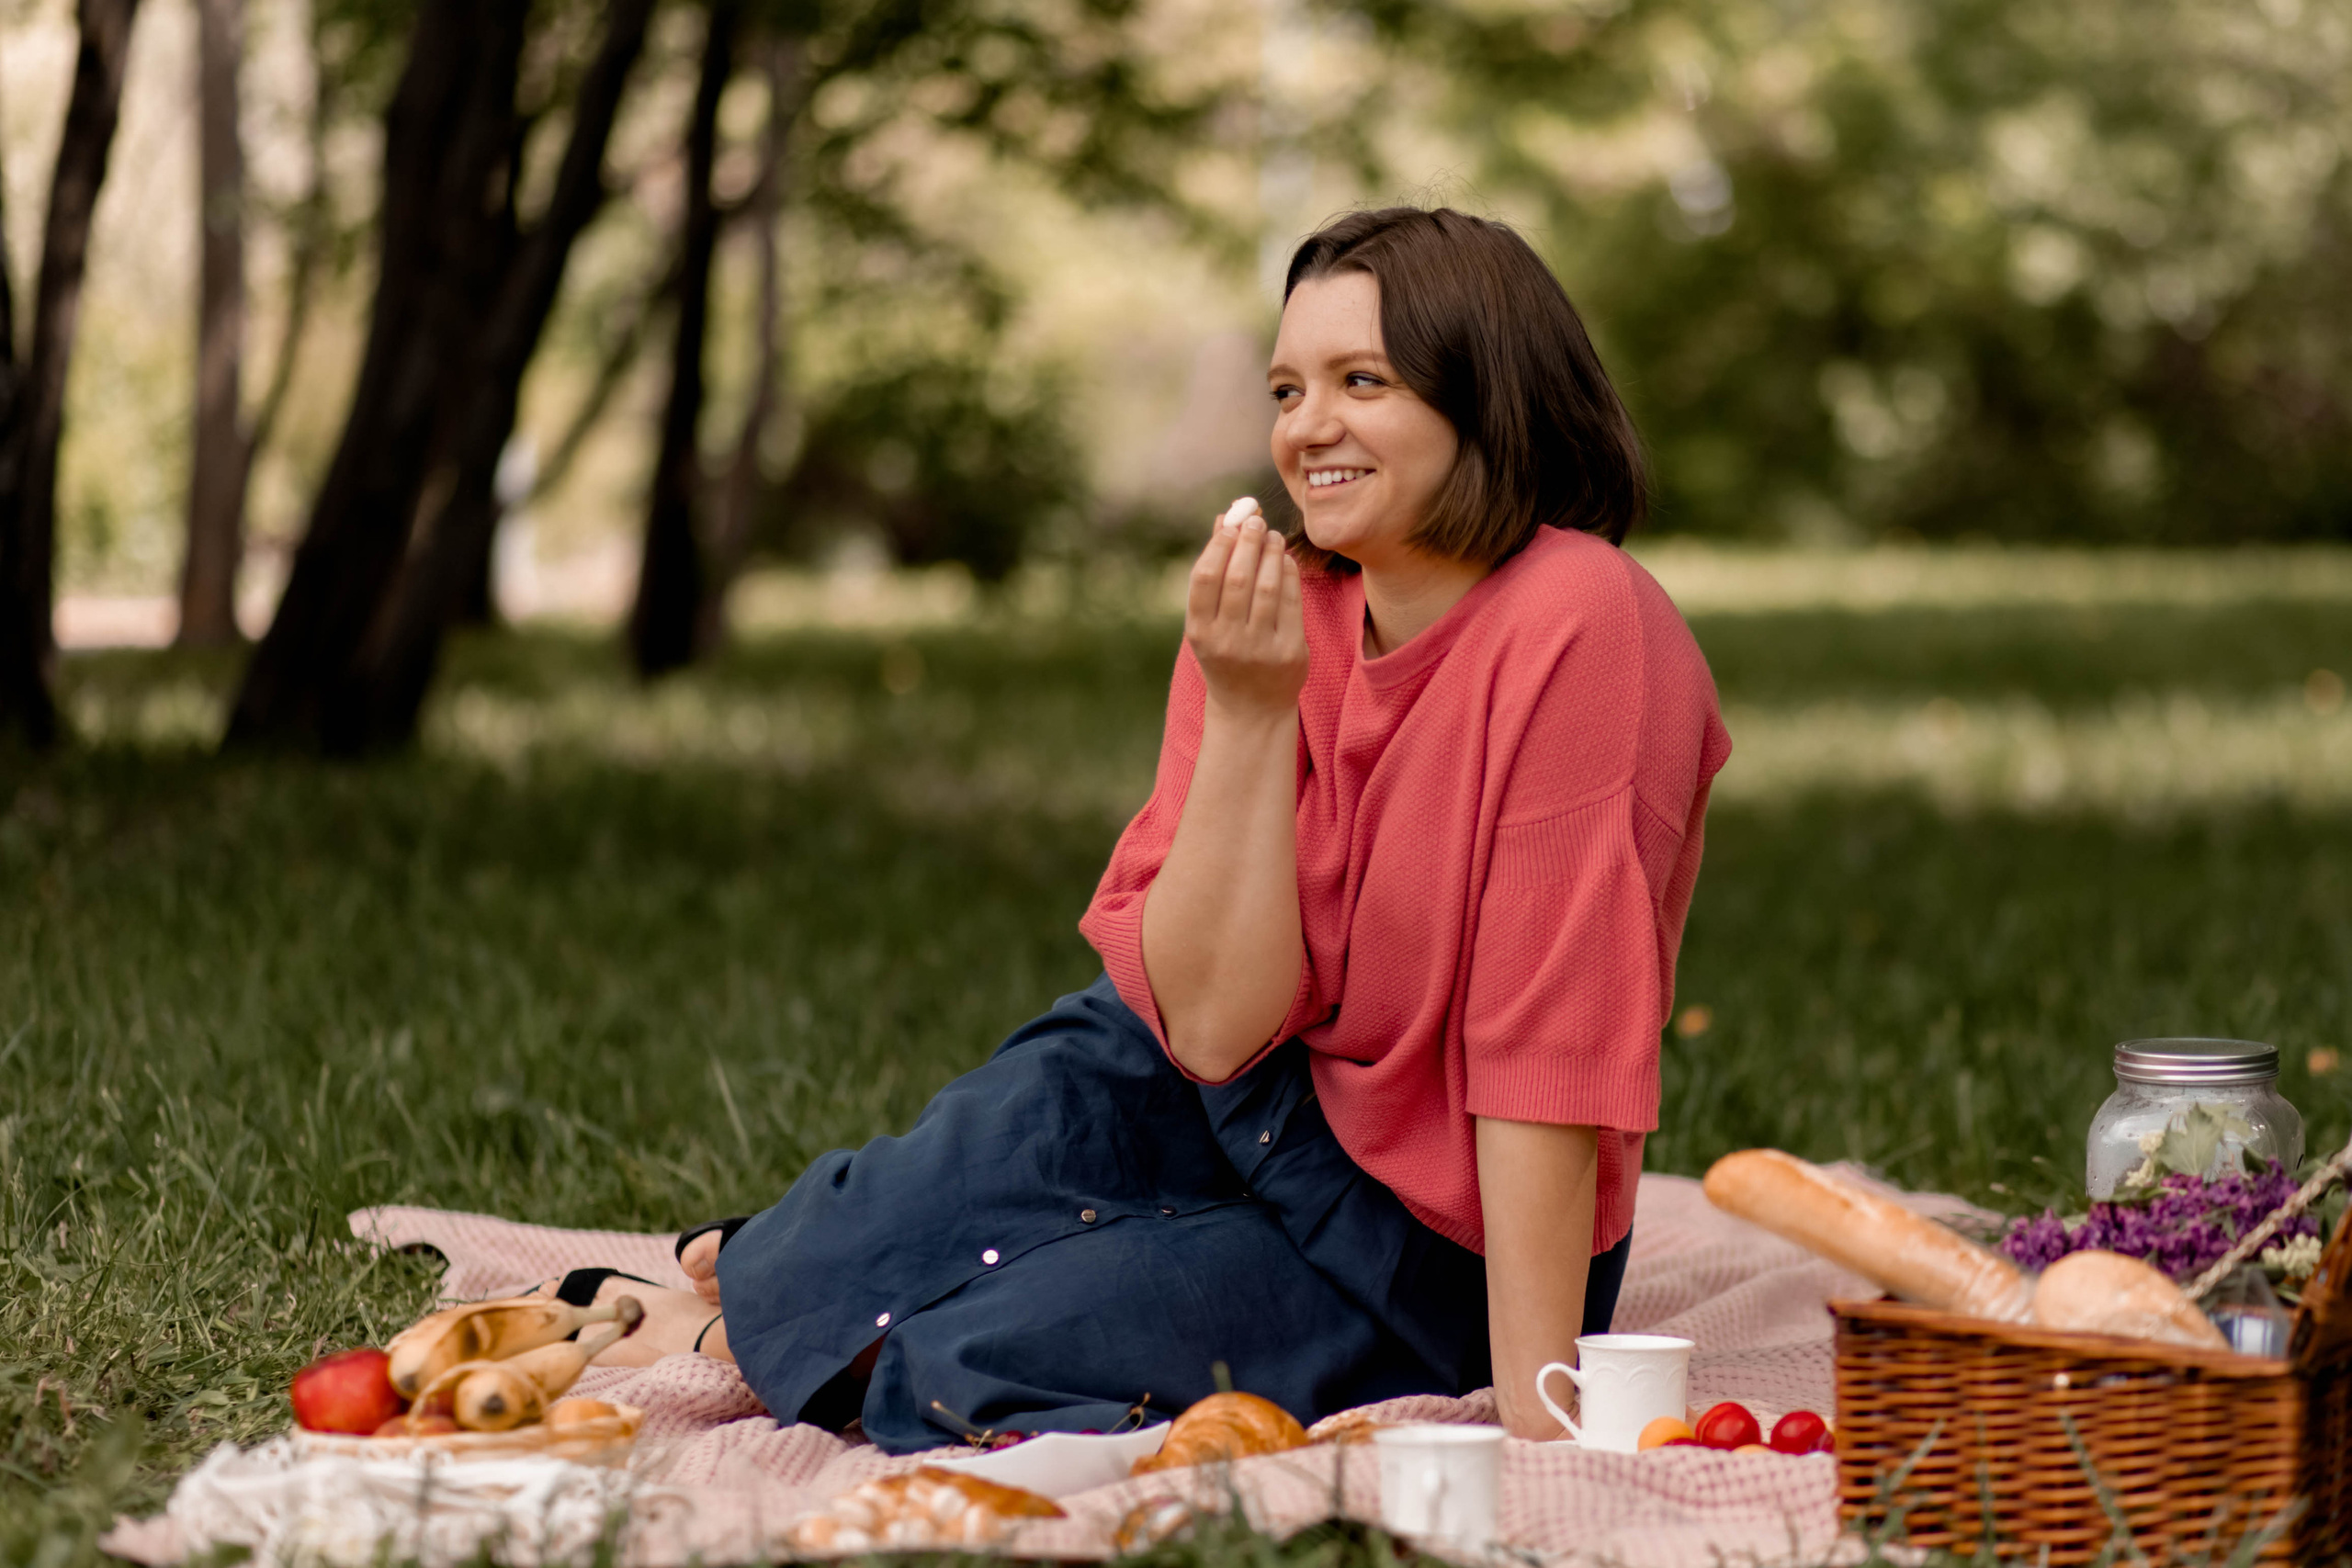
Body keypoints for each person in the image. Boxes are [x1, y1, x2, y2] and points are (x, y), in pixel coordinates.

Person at [557, 207, 1729, 1449]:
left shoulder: (1583, 622)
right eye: (1288, 388)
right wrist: (1249, 710)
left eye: (1361, 381)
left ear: (1487, 396)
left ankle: (795, 1312)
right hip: (1238, 1091)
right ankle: (787, 1282)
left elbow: (1545, 1050)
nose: (1305, 427)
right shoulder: (1275, 612)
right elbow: (1212, 1031)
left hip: (1429, 1237)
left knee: (969, 1362)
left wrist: (1541, 1412)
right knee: (978, 1143)